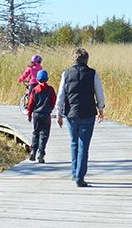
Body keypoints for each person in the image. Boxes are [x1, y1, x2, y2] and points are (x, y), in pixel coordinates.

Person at [56, 47, 105, 187]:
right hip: (88, 112)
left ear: (74, 59)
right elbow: (99, 92)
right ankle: (80, 176)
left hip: (71, 113)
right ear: (87, 59)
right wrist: (100, 109)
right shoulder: (92, 73)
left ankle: (74, 172)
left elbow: (61, 95)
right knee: (84, 145)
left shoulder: (66, 74)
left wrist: (59, 113)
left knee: (74, 143)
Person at [25, 68, 55, 162]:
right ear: (47, 79)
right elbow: (53, 101)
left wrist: (29, 114)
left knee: (36, 132)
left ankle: (33, 151)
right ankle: (41, 153)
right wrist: (50, 109)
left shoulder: (34, 90)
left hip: (36, 115)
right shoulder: (50, 89)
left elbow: (30, 104)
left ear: (37, 79)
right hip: (46, 114)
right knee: (44, 134)